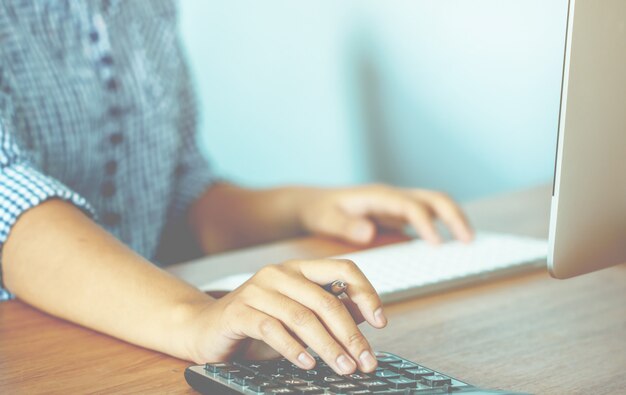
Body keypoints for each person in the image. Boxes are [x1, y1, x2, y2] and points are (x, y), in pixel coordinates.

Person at [0, 0, 472, 376]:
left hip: (130, 353)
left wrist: (306, 207)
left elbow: (178, 192)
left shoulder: (146, 9)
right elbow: (10, 204)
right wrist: (195, 318)